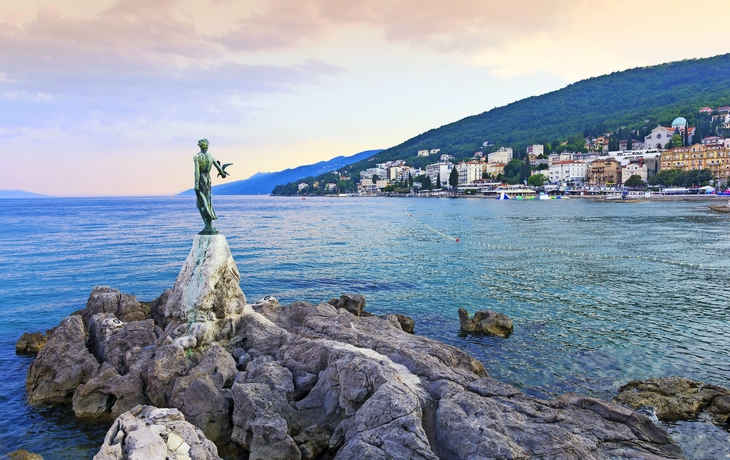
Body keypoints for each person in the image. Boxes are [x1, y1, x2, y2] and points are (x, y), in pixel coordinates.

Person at [194, 139, 229, 234]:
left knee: (200, 204)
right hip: (208, 179)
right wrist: (223, 173)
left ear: (199, 146)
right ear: (207, 146)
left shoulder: (197, 156)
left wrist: (196, 184)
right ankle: (210, 226)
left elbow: (197, 171)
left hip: (201, 178)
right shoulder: (211, 156)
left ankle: (207, 226)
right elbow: (221, 172)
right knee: (208, 201)